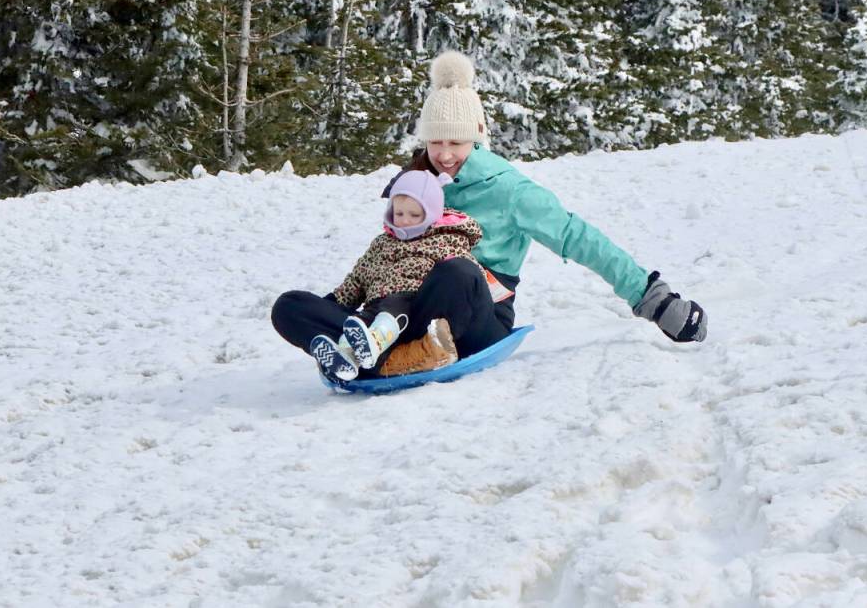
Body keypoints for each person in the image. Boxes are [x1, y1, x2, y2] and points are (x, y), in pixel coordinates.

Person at [381, 50, 708, 348]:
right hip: (415, 307)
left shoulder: (509, 190)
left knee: (456, 271)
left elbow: (576, 237)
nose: (445, 154)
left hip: (481, 315)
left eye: (456, 142)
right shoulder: (418, 182)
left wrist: (654, 299)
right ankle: (371, 343)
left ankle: (409, 345)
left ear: (476, 136)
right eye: (435, 142)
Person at [276, 169, 488, 385]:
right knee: (288, 304)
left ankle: (405, 352)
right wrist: (323, 309)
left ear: (432, 213)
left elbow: (471, 278)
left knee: (457, 272)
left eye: (415, 215)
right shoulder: (381, 244)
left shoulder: (446, 239)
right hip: (373, 313)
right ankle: (350, 356)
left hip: (415, 313)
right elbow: (355, 282)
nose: (405, 221)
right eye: (399, 213)